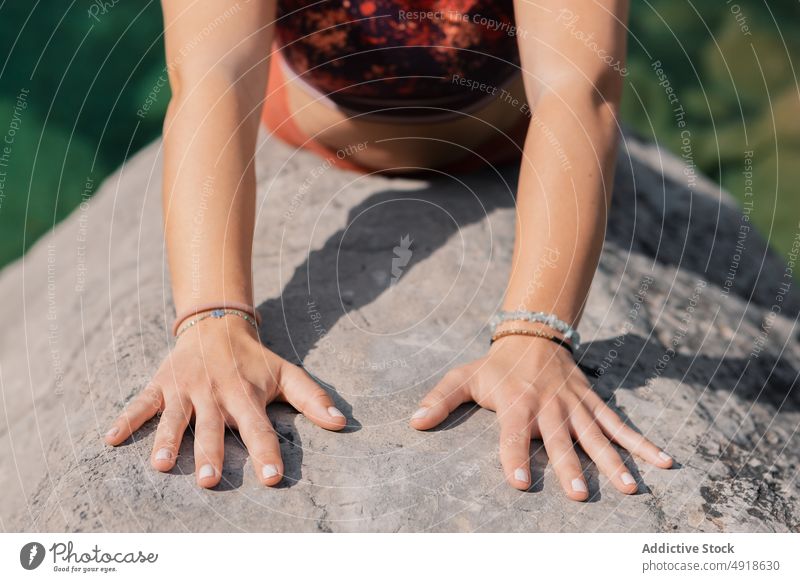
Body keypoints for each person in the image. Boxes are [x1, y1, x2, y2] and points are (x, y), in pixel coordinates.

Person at [104, 0, 673, 501]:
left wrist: (537, 333)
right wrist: (212, 319)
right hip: (307, 115)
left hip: (504, 132)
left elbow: (581, 88)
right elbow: (213, 73)